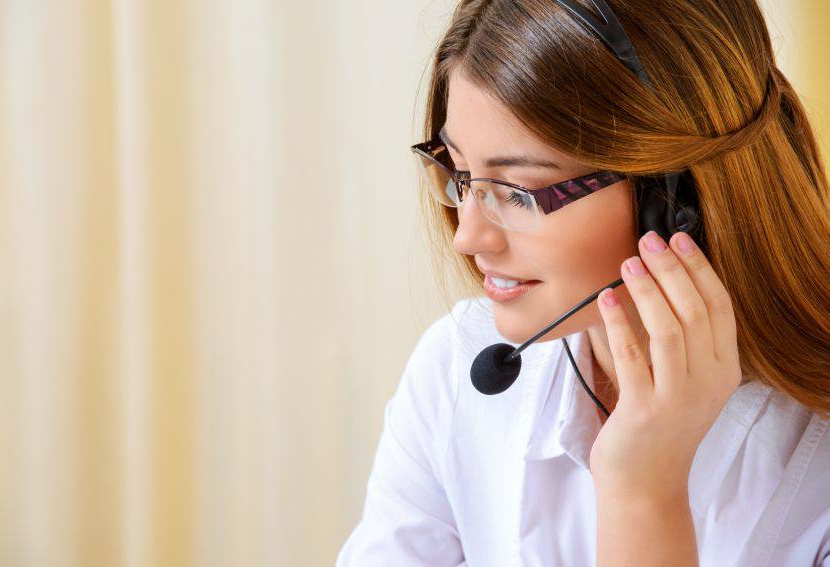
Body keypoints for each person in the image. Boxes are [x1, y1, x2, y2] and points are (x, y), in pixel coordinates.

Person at [337, 0, 830, 565]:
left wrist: (643, 493)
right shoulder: (456, 371)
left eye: (518, 191)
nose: (467, 238)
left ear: (673, 203)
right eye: (460, 172)